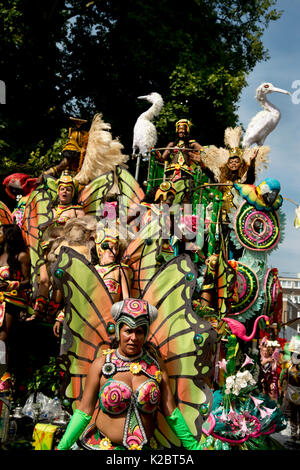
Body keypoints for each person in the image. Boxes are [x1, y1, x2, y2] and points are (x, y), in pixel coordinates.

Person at [57, 298, 203, 450]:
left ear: (145, 334)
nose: (133, 338)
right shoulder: (100, 365)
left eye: (139, 331)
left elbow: (171, 411)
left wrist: (193, 447)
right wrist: (62, 447)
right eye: (128, 331)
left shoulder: (156, 365)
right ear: (119, 331)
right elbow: (84, 412)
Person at [0, 224, 31, 370]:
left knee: (1, 341)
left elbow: (28, 281)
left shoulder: (21, 256)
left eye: (0, 231)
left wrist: (10, 285)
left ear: (8, 235)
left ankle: (3, 381)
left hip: (11, 303)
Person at [160, 119, 203, 206]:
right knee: (168, 196)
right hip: (172, 174)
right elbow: (162, 158)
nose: (181, 130)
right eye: (179, 128)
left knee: (185, 198)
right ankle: (166, 218)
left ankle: (186, 219)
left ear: (187, 130)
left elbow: (204, 154)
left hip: (185, 175)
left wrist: (190, 153)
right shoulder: (171, 144)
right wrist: (154, 152)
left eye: (183, 128)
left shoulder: (192, 144)